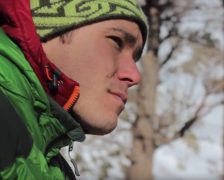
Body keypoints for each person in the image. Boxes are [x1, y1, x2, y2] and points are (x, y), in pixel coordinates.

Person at [0, 0, 148, 179]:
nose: (134, 76)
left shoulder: (51, 162)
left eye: (135, 58)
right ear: (48, 26)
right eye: (116, 41)